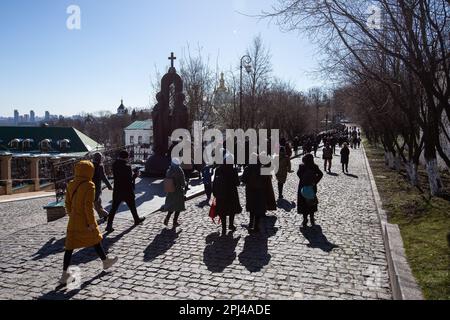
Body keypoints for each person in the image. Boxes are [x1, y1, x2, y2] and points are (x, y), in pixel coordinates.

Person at [60, 160, 118, 285]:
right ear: (89, 171)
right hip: (85, 221)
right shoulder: (89, 185)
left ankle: (65, 274)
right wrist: (92, 223)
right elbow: (88, 207)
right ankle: (105, 261)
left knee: (69, 248)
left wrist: (72, 215)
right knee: (95, 239)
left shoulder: (71, 184)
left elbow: (67, 203)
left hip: (73, 221)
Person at [105, 150, 145, 233]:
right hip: (127, 190)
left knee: (113, 208)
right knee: (132, 206)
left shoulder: (115, 164)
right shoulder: (127, 166)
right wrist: (135, 175)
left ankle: (109, 225)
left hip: (117, 189)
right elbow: (128, 179)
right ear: (126, 157)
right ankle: (136, 219)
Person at [212, 153, 242, 235]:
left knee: (222, 211)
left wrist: (215, 192)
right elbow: (237, 183)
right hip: (231, 194)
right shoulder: (233, 170)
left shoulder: (218, 170)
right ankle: (231, 225)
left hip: (221, 194)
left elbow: (214, 183)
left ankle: (224, 228)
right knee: (232, 210)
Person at [242, 155, 267, 234]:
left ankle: (250, 223)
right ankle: (256, 226)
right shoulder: (262, 168)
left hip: (250, 190)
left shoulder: (247, 168)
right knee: (258, 207)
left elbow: (243, 180)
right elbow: (266, 180)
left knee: (252, 207)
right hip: (260, 190)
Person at [297, 154, 323, 228]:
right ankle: (312, 218)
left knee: (303, 202)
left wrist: (303, 179)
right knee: (311, 202)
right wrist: (315, 182)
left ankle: (305, 219)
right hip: (312, 186)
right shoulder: (314, 166)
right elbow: (320, 174)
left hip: (303, 186)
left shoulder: (302, 166)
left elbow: (298, 174)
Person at [163, 158, 186, 229]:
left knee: (171, 205)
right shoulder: (179, 170)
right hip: (178, 191)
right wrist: (184, 185)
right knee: (178, 207)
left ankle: (167, 217)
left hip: (170, 191)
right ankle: (175, 221)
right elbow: (182, 182)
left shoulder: (169, 170)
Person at [92, 152, 113, 221]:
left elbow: (103, 177)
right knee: (97, 203)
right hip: (96, 187)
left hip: (91, 187)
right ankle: (104, 215)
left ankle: (105, 215)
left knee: (96, 203)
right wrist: (109, 186)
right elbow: (103, 177)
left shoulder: (91, 165)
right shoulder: (99, 166)